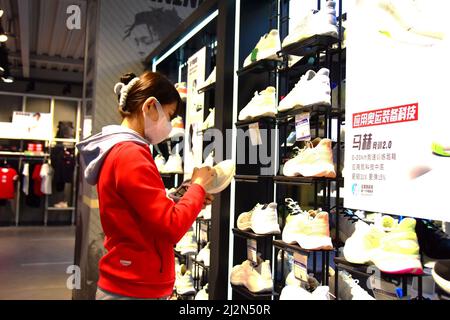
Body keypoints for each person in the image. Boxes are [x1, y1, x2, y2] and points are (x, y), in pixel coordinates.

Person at [77, 71, 215, 300]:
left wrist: (184, 198)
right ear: (150, 106)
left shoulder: (122, 150)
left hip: (129, 282)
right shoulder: (131, 154)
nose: (169, 125)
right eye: (169, 116)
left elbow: (137, 212)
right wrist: (198, 186)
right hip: (133, 288)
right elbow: (171, 227)